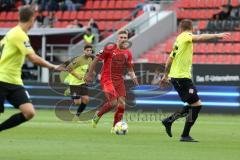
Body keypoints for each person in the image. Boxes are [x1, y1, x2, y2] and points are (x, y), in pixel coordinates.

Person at [160, 19, 230, 142]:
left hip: (178, 77)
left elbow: (169, 59)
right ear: (191, 28)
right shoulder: (186, 36)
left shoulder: (178, 40)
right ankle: (182, 133)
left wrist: (165, 75)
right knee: (197, 105)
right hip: (181, 78)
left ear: (180, 28)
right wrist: (217, 35)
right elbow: (200, 37)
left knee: (194, 105)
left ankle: (171, 122)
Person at [0, 5, 64, 132]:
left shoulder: (11, 34)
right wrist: (53, 66)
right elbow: (33, 58)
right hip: (2, 79)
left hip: (14, 81)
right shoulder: (18, 34)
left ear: (18, 17)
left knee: (29, 112)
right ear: (32, 19)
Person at [85, 30, 139, 132]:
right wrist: (90, 74)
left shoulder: (128, 53)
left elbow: (130, 68)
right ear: (117, 38)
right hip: (106, 79)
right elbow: (96, 59)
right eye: (121, 37)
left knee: (122, 105)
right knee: (113, 102)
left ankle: (115, 127)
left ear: (127, 39)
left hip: (119, 80)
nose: (123, 39)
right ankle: (98, 114)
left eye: (125, 37)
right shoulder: (109, 48)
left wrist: (134, 78)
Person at [62, 45, 94, 117]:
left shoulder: (90, 59)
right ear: (84, 51)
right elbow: (68, 68)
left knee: (86, 99)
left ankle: (77, 115)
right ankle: (70, 91)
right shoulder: (78, 59)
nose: (89, 52)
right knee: (77, 102)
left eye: (90, 50)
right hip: (74, 83)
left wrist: (90, 75)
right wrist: (77, 75)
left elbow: (88, 69)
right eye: (87, 50)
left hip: (82, 82)